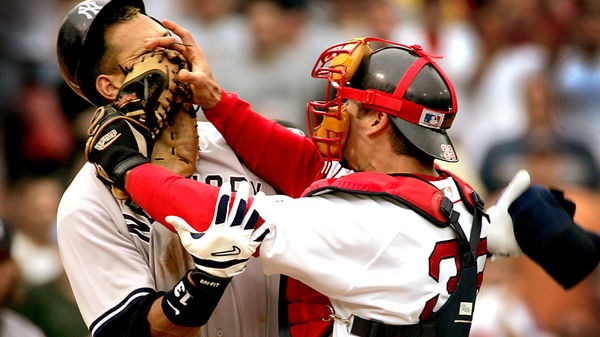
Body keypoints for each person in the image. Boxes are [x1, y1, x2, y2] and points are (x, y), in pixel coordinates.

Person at [86, 36, 491, 337]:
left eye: (345, 102)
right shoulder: (457, 197)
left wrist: (125, 164)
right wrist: (216, 100)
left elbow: (228, 220)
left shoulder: (365, 221)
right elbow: (305, 166)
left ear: (375, 121)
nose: (333, 110)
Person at [55, 1, 280, 336]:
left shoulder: (245, 146)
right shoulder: (87, 204)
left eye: (173, 46)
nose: (174, 62)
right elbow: (128, 329)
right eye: (153, 57)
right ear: (111, 87)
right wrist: (205, 282)